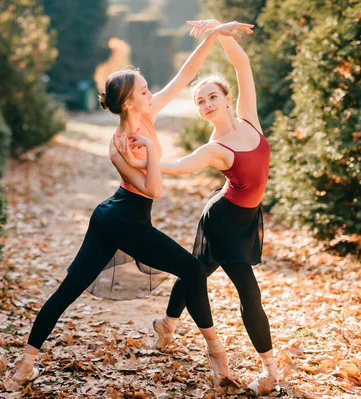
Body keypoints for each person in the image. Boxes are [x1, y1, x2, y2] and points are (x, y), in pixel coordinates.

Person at [11, 21, 255, 388]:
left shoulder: (146, 115)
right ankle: (217, 355)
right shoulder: (121, 144)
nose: (151, 93)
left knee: (78, 286)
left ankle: (27, 361)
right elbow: (154, 189)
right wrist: (153, 150)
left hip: (119, 213)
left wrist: (215, 34)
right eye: (144, 91)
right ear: (128, 102)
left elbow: (185, 73)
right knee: (186, 270)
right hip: (121, 220)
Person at [116, 19, 280, 396]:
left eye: (211, 97)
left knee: (197, 271)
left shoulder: (249, 119)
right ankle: (270, 370)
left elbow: (243, 67)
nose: (206, 104)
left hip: (245, 218)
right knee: (246, 292)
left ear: (226, 98)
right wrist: (140, 161)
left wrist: (220, 33)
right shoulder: (214, 149)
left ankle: (168, 324)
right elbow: (175, 166)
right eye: (200, 102)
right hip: (223, 221)